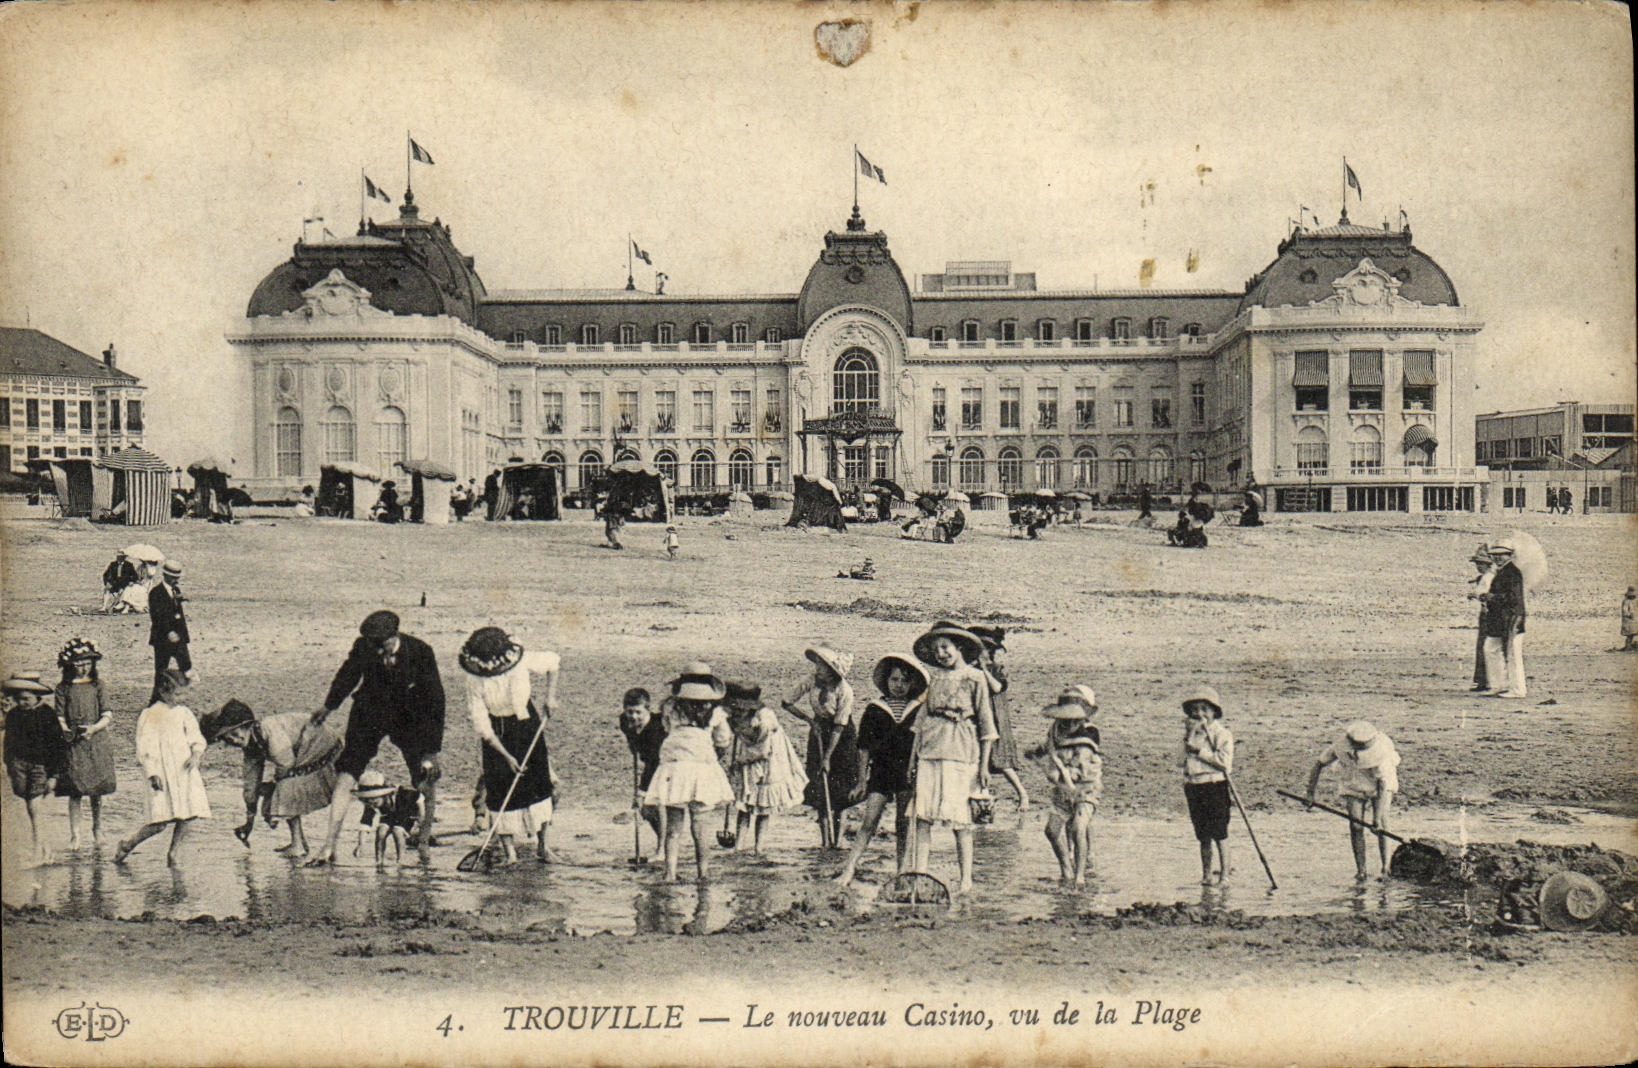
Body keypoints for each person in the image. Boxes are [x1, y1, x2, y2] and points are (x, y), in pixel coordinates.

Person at [305, 610, 446, 866]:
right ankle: (329, 846)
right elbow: (347, 676)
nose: (379, 652)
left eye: (384, 646)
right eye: (375, 647)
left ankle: (424, 842)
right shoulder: (364, 645)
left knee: (425, 775)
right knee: (347, 770)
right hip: (370, 711)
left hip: (409, 715)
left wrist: (431, 750)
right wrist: (328, 707)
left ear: (395, 636)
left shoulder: (421, 651)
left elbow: (436, 700)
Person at [458, 626, 560, 865]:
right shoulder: (474, 676)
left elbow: (553, 662)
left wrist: (550, 697)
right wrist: (505, 755)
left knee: (539, 785)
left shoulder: (519, 660)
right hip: (496, 734)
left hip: (526, 724)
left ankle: (543, 846)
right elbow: (480, 720)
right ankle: (509, 854)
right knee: (500, 788)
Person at [908, 621, 996, 893]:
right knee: (923, 816)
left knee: (961, 821)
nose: (941, 654)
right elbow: (920, 722)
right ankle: (919, 874)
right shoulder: (932, 678)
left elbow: (987, 725)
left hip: (962, 753)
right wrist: (913, 758)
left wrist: (984, 766)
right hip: (930, 751)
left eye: (945, 648)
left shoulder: (975, 678)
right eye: (936, 651)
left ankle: (966, 879)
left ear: (959, 648)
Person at [201, 698, 342, 856]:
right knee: (281, 788)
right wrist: (249, 819)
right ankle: (300, 842)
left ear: (247, 726)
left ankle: (298, 845)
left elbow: (286, 763)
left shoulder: (269, 729)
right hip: (302, 752)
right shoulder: (251, 747)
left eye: (235, 733)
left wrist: (273, 790)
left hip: (321, 745)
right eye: (228, 739)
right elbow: (251, 783)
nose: (234, 739)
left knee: (286, 788)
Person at [835, 654, 927, 886]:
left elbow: (923, 744)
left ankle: (901, 871)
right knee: (869, 821)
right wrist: (861, 781)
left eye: (904, 681)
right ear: (886, 681)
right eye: (894, 680)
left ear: (912, 684)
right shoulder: (875, 709)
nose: (899, 685)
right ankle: (849, 868)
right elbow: (864, 747)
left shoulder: (918, 709)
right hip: (881, 771)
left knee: (903, 824)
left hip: (908, 773)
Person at [642, 666, 736, 883]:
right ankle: (703, 873)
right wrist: (715, 753)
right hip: (702, 769)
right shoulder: (716, 712)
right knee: (701, 826)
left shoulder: (670, 708)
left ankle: (670, 873)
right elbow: (723, 740)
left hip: (674, 769)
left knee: (674, 826)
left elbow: (666, 730)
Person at [115, 670, 210, 866]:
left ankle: (174, 852)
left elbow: (196, 738)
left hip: (184, 770)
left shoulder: (184, 713)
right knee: (160, 821)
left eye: (183, 694)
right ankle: (128, 844)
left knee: (188, 813)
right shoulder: (150, 714)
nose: (181, 699)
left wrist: (196, 755)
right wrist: (152, 773)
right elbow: (145, 747)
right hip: (162, 772)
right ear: (163, 692)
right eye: (177, 695)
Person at [782, 645, 858, 848]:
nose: (817, 669)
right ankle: (825, 842)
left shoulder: (844, 690)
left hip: (842, 737)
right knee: (820, 788)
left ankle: (838, 840)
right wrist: (809, 720)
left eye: (822, 666)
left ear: (832, 670)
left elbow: (839, 726)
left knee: (840, 790)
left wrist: (827, 758)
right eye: (816, 664)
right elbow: (786, 701)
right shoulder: (811, 680)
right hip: (819, 732)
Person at [1305, 720, 1400, 881]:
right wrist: (1310, 793)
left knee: (1382, 825)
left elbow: (1383, 786)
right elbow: (1318, 764)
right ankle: (1361, 870)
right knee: (1356, 825)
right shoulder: (1341, 746)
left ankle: (1386, 868)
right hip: (1353, 782)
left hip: (1379, 787)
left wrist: (1376, 818)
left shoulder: (1382, 754)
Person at [1027, 687, 1102, 887]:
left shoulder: (1089, 734)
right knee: (1051, 830)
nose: (1068, 724)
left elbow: (1083, 769)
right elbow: (1049, 747)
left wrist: (1061, 772)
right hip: (1061, 790)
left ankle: (1080, 876)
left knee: (1078, 828)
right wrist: (1037, 753)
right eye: (1065, 719)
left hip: (1084, 789)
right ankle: (1066, 869)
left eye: (1074, 720)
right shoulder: (1055, 730)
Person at [723, 681, 806, 855]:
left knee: (763, 806)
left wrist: (739, 760)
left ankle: (758, 847)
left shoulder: (765, 719)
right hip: (748, 759)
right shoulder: (735, 716)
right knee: (744, 804)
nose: (738, 711)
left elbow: (763, 750)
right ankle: (738, 846)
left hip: (769, 763)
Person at [53, 638, 116, 847]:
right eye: (79, 664)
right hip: (73, 743)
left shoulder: (99, 685)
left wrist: (93, 728)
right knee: (75, 790)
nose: (83, 668)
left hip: (96, 742)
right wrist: (64, 729)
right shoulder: (63, 688)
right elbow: (60, 715)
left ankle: (98, 829)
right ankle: (75, 835)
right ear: (70, 666)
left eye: (87, 664)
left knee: (96, 790)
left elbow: (107, 714)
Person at [5, 673, 66, 861]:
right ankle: (45, 848)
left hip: (40, 767)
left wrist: (54, 775)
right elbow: (8, 743)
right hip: (19, 766)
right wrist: (10, 764)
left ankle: (37, 850)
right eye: (19, 699)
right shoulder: (14, 715)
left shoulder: (47, 714)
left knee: (35, 806)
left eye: (26, 699)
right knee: (31, 807)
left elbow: (58, 746)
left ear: (36, 696)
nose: (22, 702)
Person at [968, 626, 1028, 810]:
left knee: (1000, 760)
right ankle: (982, 797)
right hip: (980, 717)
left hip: (997, 719)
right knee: (979, 759)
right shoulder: (971, 671)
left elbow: (996, 687)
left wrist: (984, 670)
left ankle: (1022, 794)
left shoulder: (996, 669)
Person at [1180, 686, 1235, 886]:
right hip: (1194, 786)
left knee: (1220, 833)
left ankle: (1225, 876)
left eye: (1204, 709)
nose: (1199, 714)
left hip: (1215, 785)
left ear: (1214, 712)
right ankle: (1206, 875)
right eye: (1195, 709)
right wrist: (1190, 737)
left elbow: (1224, 764)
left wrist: (1200, 751)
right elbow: (1180, 761)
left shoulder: (1222, 734)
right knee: (1202, 835)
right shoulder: (1189, 734)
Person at [1479, 538, 1527, 698]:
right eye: (1495, 555)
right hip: (1499, 618)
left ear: (1510, 555)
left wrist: (1491, 597)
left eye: (1502, 555)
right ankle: (1498, 685)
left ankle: (1517, 689)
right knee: (1491, 649)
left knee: (1512, 654)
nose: (1498, 558)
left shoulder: (1512, 573)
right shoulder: (1501, 572)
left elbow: (1513, 598)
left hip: (1511, 618)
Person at [620, 687, 668, 843]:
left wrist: (640, 792)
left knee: (655, 804)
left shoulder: (656, 729)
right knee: (647, 810)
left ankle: (663, 849)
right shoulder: (624, 721)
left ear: (648, 709)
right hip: (652, 763)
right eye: (630, 712)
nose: (633, 716)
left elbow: (654, 764)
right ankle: (664, 842)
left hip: (667, 764)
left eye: (638, 712)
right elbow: (632, 743)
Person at [351, 770, 422, 866]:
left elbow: (419, 798)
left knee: (397, 831)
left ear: (385, 795)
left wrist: (421, 822)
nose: (372, 805)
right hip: (390, 816)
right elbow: (365, 824)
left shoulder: (404, 794)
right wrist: (360, 845)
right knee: (381, 830)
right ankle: (379, 861)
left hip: (406, 815)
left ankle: (401, 859)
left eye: (375, 802)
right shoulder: (371, 804)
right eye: (367, 801)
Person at [148, 560, 193, 700]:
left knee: (186, 666)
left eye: (177, 578)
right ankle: (155, 700)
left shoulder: (176, 591)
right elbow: (157, 616)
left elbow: (178, 615)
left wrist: (183, 635)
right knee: (161, 670)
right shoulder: (156, 593)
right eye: (173, 577)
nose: (176, 580)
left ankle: (180, 695)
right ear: (165, 576)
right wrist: (168, 631)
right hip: (162, 639)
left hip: (179, 637)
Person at [1467, 544, 1495, 691]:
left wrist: (1476, 594)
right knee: (1484, 646)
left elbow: (1488, 595)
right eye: (1477, 564)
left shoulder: (1488, 578)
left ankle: (1484, 680)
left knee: (1484, 646)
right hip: (1486, 613)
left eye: (1481, 564)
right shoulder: (1486, 577)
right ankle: (1484, 680)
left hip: (1488, 614)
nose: (1478, 566)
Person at [1622, 587, 1638, 651]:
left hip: (1634, 620)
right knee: (1629, 634)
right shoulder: (1626, 601)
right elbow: (1624, 611)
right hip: (1628, 620)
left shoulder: (1635, 600)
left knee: (1633, 632)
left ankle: (1631, 645)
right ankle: (1628, 646)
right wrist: (1629, 614)